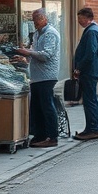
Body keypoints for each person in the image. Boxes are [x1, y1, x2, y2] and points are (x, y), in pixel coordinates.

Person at [13, 8, 60, 148]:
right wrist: (25, 56)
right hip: (36, 77)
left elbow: (46, 55)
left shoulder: (50, 34)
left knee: (47, 107)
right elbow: (35, 52)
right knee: (37, 108)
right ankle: (40, 135)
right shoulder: (37, 34)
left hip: (47, 76)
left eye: (37, 20)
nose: (35, 23)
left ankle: (52, 137)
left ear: (44, 18)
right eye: (33, 20)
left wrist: (27, 52)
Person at [71, 7, 98, 141]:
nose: (79, 21)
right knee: (90, 99)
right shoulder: (93, 30)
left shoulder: (92, 32)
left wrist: (79, 68)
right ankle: (92, 127)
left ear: (88, 18)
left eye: (80, 18)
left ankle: (93, 128)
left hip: (89, 71)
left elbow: (91, 53)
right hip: (90, 70)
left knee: (90, 100)